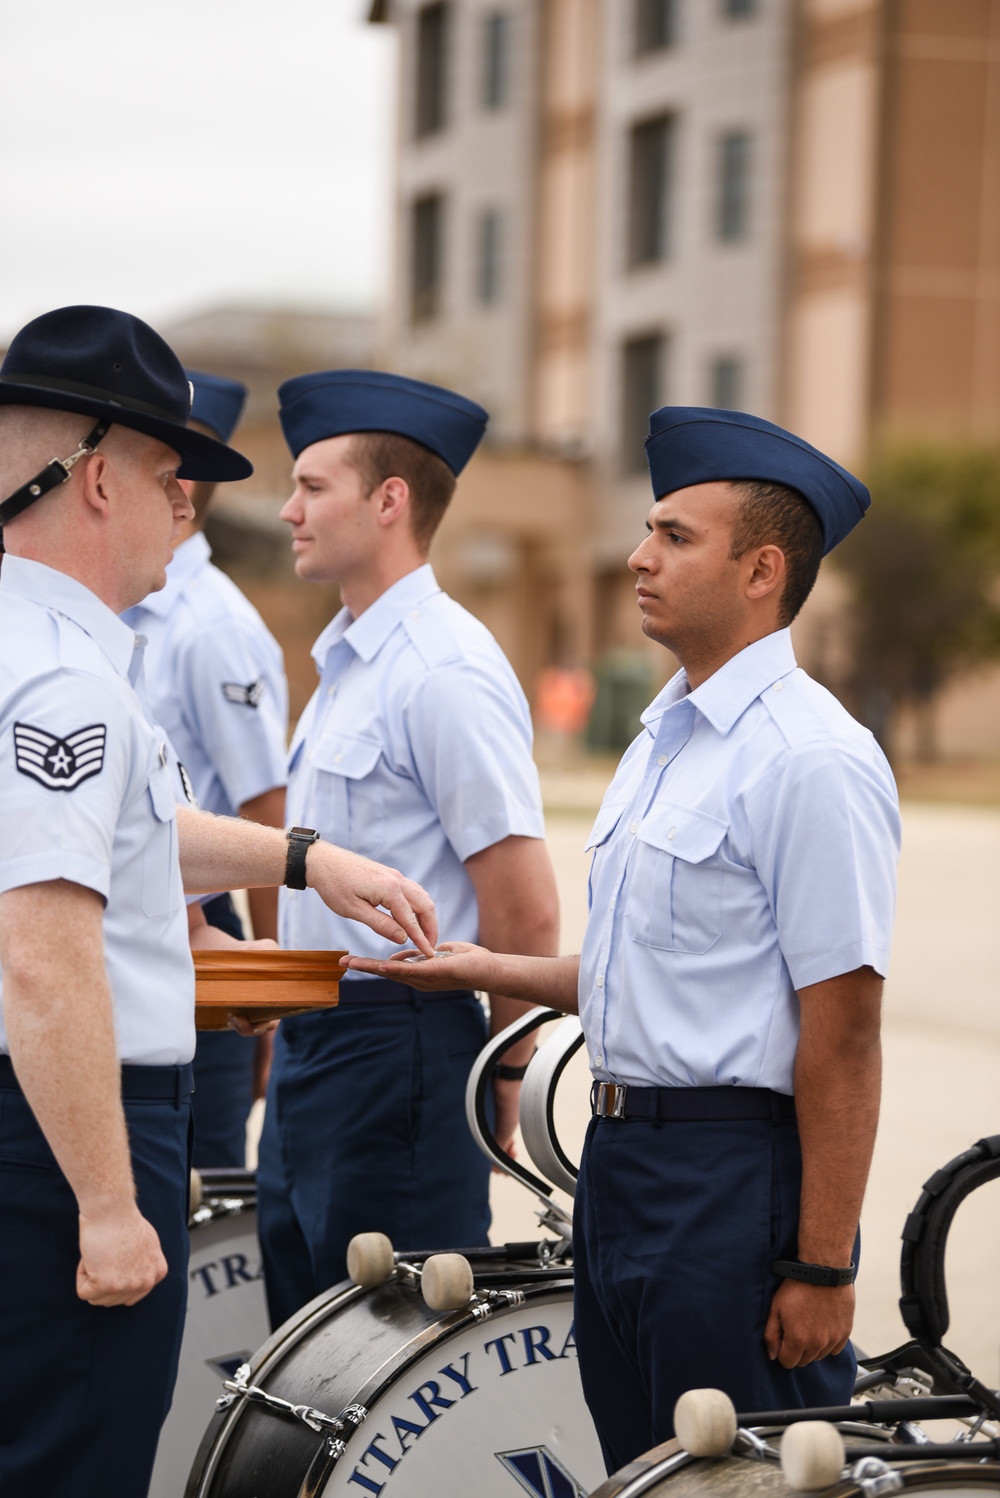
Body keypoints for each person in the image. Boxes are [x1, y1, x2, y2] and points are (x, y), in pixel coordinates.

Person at [344, 406, 901, 1473]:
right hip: (622, 1170)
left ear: (761, 570)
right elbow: (649, 982)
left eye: (675, 536)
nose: (639, 557)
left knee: (735, 1479)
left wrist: (822, 1264)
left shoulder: (809, 758)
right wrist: (482, 966)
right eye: (648, 531)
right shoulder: (665, 739)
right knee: (641, 1472)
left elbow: (844, 1030)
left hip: (732, 1183)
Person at [0, 306, 437, 1498]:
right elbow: (40, 957)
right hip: (63, 1136)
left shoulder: (33, 647)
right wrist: (105, 1202)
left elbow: (125, 839)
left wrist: (301, 859)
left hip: (37, 1115)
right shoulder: (58, 678)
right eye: (167, 473)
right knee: (69, 1461)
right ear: (97, 480)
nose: (185, 504)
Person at [256, 369, 560, 1327]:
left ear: (389, 501)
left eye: (312, 487)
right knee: (300, 1358)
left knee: (389, 1352)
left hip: (403, 1049)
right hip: (318, 1039)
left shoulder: (443, 667)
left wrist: (504, 1075)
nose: (286, 508)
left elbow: (522, 902)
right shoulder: (351, 659)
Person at [123, 370, 288, 1167]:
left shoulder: (213, 625)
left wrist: (268, 983)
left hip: (204, 922)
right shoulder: (114, 603)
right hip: (130, 922)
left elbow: (264, 806)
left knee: (195, 1186)